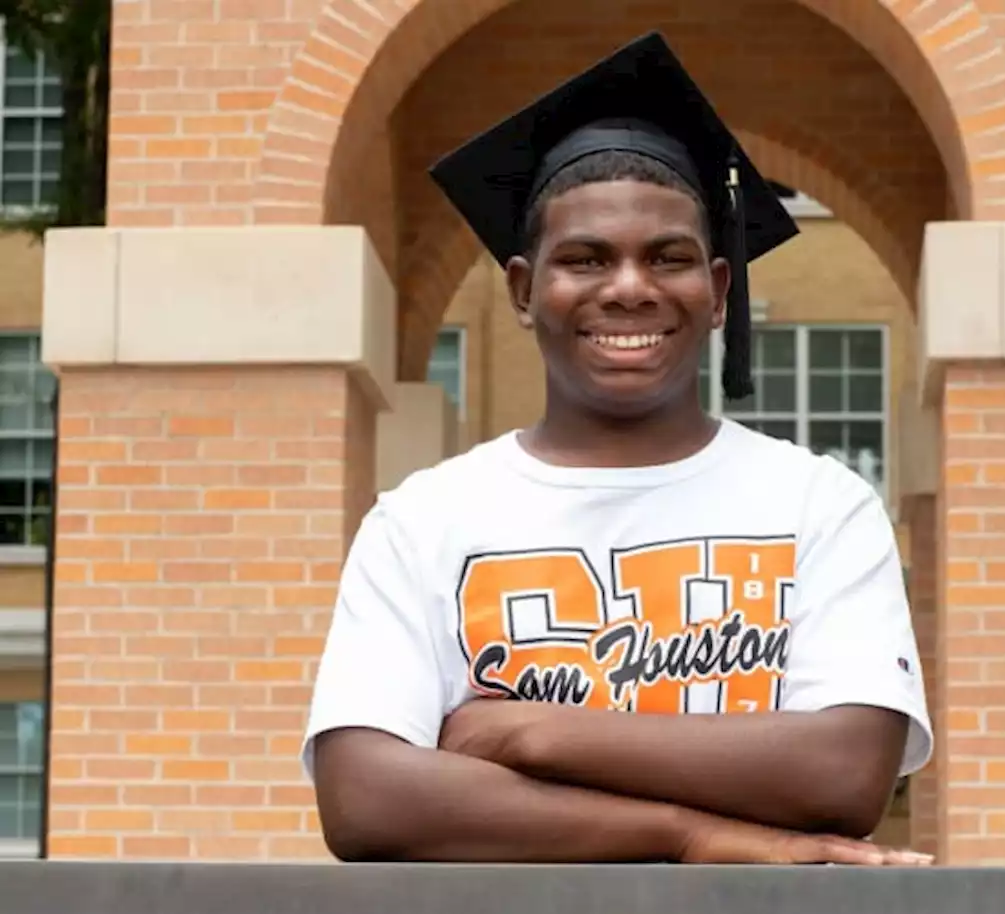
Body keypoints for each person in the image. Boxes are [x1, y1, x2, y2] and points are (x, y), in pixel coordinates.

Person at [301, 31, 934, 866]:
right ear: (526, 290)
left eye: (667, 258)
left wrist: (529, 730)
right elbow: (366, 798)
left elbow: (844, 773)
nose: (629, 287)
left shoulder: (818, 506)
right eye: (586, 258)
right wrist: (693, 834)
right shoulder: (424, 520)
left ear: (716, 290)